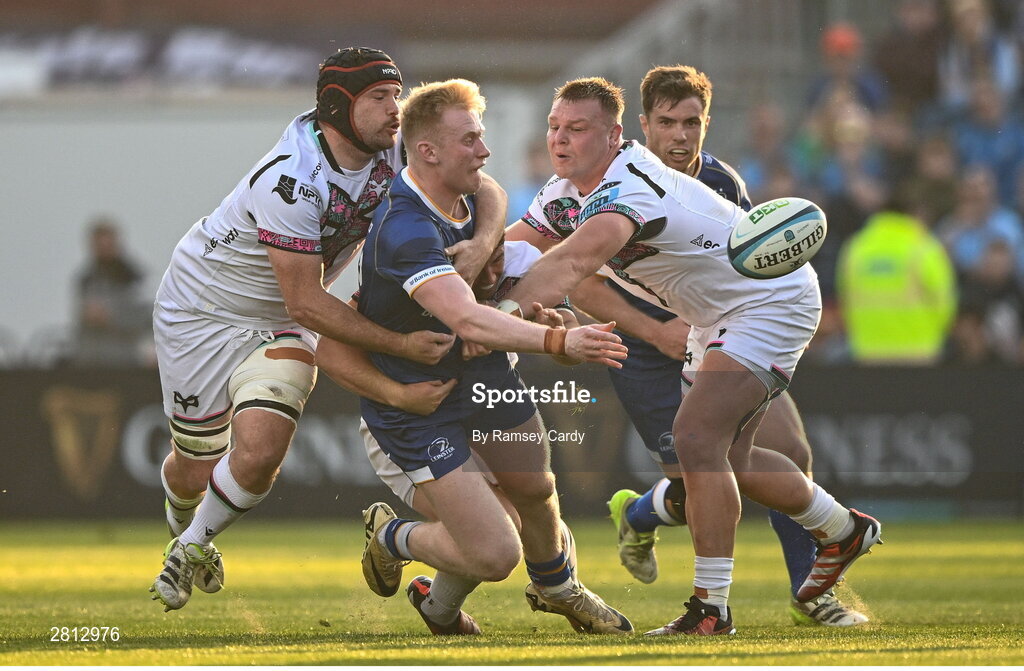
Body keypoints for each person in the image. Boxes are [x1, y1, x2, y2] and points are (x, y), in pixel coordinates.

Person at [504, 77, 882, 636]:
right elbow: (517, 248)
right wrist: (447, 271)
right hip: (716, 316)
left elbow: (567, 268)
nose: (560, 139)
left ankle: (711, 610)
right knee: (731, 459)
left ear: (613, 136)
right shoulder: (563, 192)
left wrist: (492, 318)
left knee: (698, 440)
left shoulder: (627, 189)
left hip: (769, 302)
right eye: (555, 127)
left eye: (576, 129)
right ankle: (843, 530)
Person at [149, 47, 509, 612]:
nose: (396, 108)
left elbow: (484, 188)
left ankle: (189, 545)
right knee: (195, 467)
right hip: (201, 311)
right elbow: (309, 302)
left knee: (263, 450)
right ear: (338, 106)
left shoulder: (393, 149)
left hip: (276, 322)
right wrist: (398, 343)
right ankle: (181, 520)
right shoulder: (291, 178)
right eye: (379, 97)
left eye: (397, 94)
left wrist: (480, 246)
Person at [343, 78, 632, 635]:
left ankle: (557, 586)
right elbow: (469, 320)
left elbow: (492, 194)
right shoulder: (404, 230)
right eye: (471, 139)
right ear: (427, 151)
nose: (484, 150)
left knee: (535, 488)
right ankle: (391, 537)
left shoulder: (467, 194)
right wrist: (558, 341)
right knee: (497, 551)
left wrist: (485, 247)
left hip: (485, 378)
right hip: (418, 407)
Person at [319, 239, 581, 634]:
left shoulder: (524, 265)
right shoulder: (410, 278)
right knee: (501, 536)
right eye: (481, 265)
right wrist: (399, 393)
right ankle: (394, 538)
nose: (492, 276)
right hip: (412, 425)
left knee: (540, 516)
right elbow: (331, 352)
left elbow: (568, 343)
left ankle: (439, 608)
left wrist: (557, 337)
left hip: (486, 413)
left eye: (498, 261)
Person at [837, 183, 958, 364]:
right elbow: (944, 303)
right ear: (916, 212)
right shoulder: (925, 247)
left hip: (868, 354)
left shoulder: (855, 248)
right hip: (919, 353)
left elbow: (845, 300)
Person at [72, 217, 152, 367]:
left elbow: (147, 318)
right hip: (91, 361)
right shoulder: (86, 279)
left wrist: (111, 318)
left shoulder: (133, 277)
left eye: (107, 245)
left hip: (125, 361)